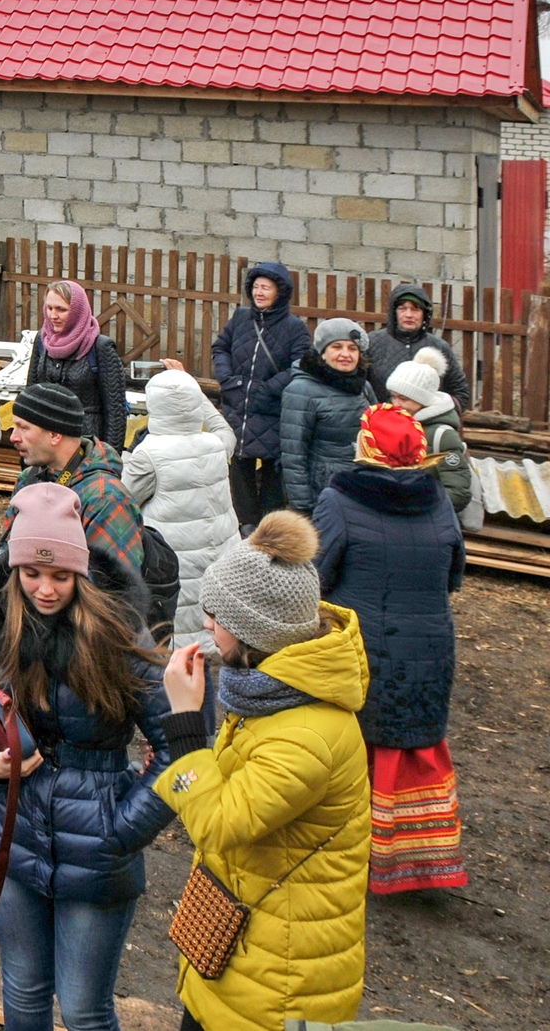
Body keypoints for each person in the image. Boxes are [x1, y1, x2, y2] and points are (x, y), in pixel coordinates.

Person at [0, 483, 178, 1031]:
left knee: (85, 1009)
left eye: (61, 576)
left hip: (96, 846)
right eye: (32, 574)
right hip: (11, 831)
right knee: (22, 992)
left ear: (82, 573)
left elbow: (178, 751)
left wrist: (122, 831)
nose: (45, 589)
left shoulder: (118, 630)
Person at [154, 514, 371, 1031]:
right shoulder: (273, 693)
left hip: (279, 986)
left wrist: (186, 726)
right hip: (249, 954)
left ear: (256, 629)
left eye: (217, 614)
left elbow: (220, 824)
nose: (207, 623)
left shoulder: (306, 735)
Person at [312, 403, 466, 895]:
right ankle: (415, 861)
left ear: (367, 446)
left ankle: (350, 852)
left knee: (356, 745)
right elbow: (455, 573)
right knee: (410, 745)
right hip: (429, 642)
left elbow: (317, 572)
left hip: (363, 646)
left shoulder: (339, 499)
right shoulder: (437, 499)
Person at [123, 370, 240, 648]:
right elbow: (225, 430)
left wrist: (125, 457)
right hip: (222, 560)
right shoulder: (214, 444)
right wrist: (196, 393)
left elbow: (124, 501)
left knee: (180, 640)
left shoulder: (148, 455)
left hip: (175, 566)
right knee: (215, 628)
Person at [210, 263, 308, 528]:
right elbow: (221, 348)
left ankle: (270, 526)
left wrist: (269, 389)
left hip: (272, 410)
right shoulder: (241, 318)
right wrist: (227, 379)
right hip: (238, 406)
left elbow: (300, 365)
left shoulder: (294, 327)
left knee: (272, 473)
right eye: (255, 287)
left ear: (280, 292)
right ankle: (244, 524)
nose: (259, 292)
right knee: (238, 464)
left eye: (266, 287)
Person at [8, 383, 144, 573]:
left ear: (55, 435)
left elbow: (116, 590)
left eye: (23, 428)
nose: (13, 437)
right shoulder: (29, 480)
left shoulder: (105, 498)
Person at [280, 318, 377, 517]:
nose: (345, 354)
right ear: (322, 352)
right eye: (337, 347)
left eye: (352, 348)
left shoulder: (363, 387)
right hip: (325, 495)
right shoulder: (301, 391)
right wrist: (302, 507)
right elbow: (294, 455)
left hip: (363, 488)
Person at [27, 281, 125, 450]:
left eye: (61, 309)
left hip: (86, 447)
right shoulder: (42, 341)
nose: (53, 315)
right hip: (46, 445)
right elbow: (31, 396)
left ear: (77, 311)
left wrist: (109, 461)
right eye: (49, 308)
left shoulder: (100, 347)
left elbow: (116, 411)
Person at [386, 351, 473, 525]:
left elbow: (459, 492)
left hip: (428, 523)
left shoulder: (443, 437)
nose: (396, 404)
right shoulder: (397, 425)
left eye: (403, 398)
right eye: (394, 396)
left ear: (423, 400)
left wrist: (415, 507)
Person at [362, 283, 471, 412]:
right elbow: (359, 388)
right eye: (403, 308)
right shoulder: (373, 343)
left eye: (415, 309)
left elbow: (460, 392)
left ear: (425, 314)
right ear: (394, 312)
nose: (409, 314)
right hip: (382, 425)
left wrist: (435, 417)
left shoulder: (439, 347)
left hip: (426, 429)